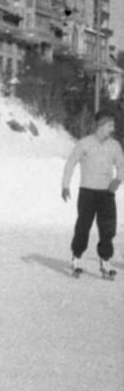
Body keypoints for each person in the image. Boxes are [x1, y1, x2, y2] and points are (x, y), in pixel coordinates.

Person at [61, 109, 124, 277]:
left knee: (107, 230)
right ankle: (76, 257)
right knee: (83, 227)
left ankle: (105, 261)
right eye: (110, 125)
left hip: (106, 194)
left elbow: (121, 164)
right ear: (101, 125)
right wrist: (65, 186)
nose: (113, 128)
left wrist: (118, 180)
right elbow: (71, 163)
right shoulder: (85, 143)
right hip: (87, 193)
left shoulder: (114, 145)